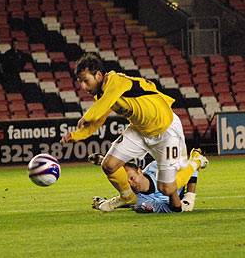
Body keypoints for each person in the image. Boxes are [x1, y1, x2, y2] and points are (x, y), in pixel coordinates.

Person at [61, 53, 208, 212]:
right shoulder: (102, 96)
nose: (83, 87)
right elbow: (97, 120)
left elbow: (99, 110)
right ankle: (127, 196)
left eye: (85, 81)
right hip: (140, 130)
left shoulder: (116, 81)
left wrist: (87, 115)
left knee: (167, 188)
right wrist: (76, 135)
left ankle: (195, 161)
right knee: (109, 165)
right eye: (80, 82)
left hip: (167, 131)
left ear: (98, 75)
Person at [90, 148, 208, 213]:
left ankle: (195, 160)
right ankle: (108, 201)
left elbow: (183, 164)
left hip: (178, 181)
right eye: (128, 181)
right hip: (174, 196)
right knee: (185, 207)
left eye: (132, 178)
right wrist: (170, 191)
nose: (131, 183)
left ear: (140, 171)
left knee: (187, 168)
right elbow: (176, 208)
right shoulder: (142, 200)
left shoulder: (155, 166)